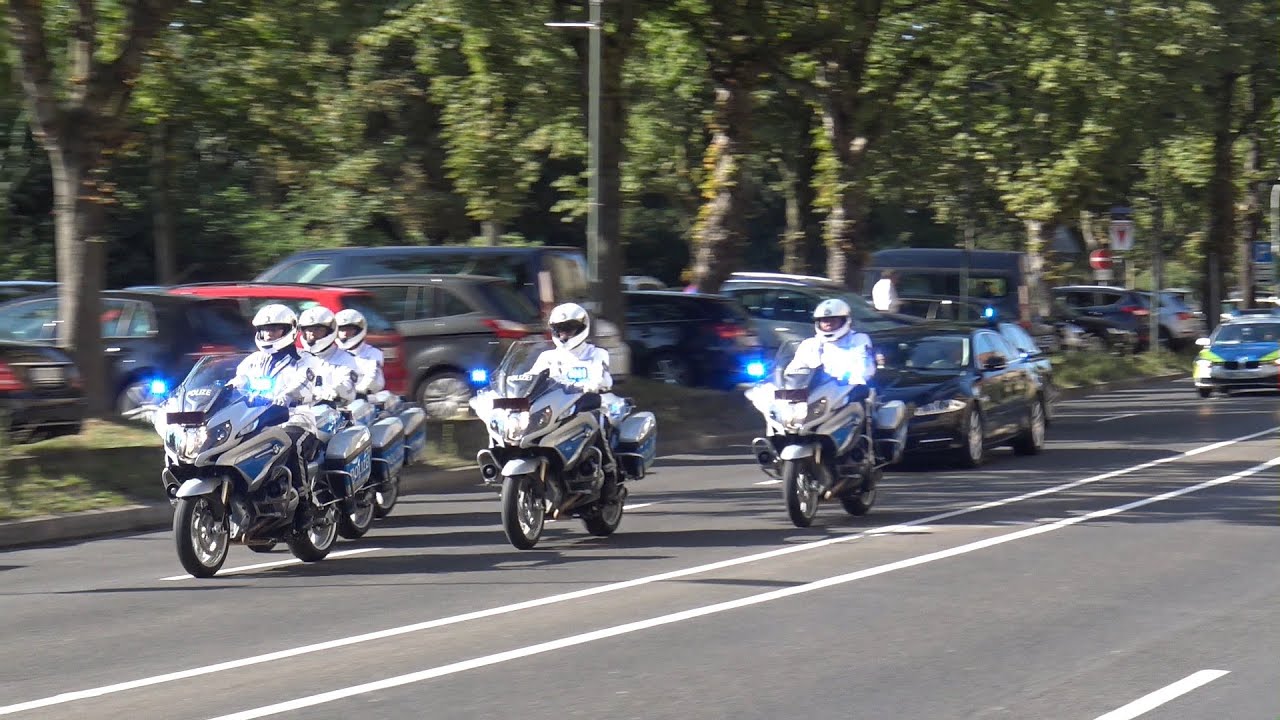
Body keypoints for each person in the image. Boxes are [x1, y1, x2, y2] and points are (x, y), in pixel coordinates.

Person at [228, 304, 326, 488]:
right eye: (264, 330)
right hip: (256, 420)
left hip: (295, 418)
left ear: (290, 330)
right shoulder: (252, 360)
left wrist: (286, 395)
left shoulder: (305, 359)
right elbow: (238, 381)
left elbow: (303, 382)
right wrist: (224, 391)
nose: (269, 334)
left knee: (293, 443)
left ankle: (303, 501)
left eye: (275, 329)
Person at [529, 302, 618, 478]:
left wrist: (593, 384)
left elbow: (601, 376)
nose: (564, 334)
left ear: (581, 328)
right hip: (558, 405)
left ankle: (609, 470)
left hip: (587, 402)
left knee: (598, 421)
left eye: (569, 328)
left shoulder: (596, 353)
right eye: (560, 329)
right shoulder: (548, 356)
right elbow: (531, 377)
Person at [784, 298, 876, 393]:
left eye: (833, 320)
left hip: (846, 393)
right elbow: (794, 370)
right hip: (812, 393)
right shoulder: (809, 344)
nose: (828, 323)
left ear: (845, 320)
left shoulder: (858, 339)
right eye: (825, 320)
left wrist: (850, 381)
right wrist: (788, 382)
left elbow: (865, 369)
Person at [296, 306, 359, 405]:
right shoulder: (296, 357)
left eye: (317, 330)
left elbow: (348, 385)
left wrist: (336, 390)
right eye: (308, 329)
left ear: (330, 331)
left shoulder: (345, 358)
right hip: (296, 410)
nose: (312, 334)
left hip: (330, 411)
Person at [334, 308, 386, 396]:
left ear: (359, 329)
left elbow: (372, 378)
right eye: (341, 329)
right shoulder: (333, 354)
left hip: (365, 400)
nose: (345, 333)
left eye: (349, 329)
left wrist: (356, 392)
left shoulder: (373, 353)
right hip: (337, 401)